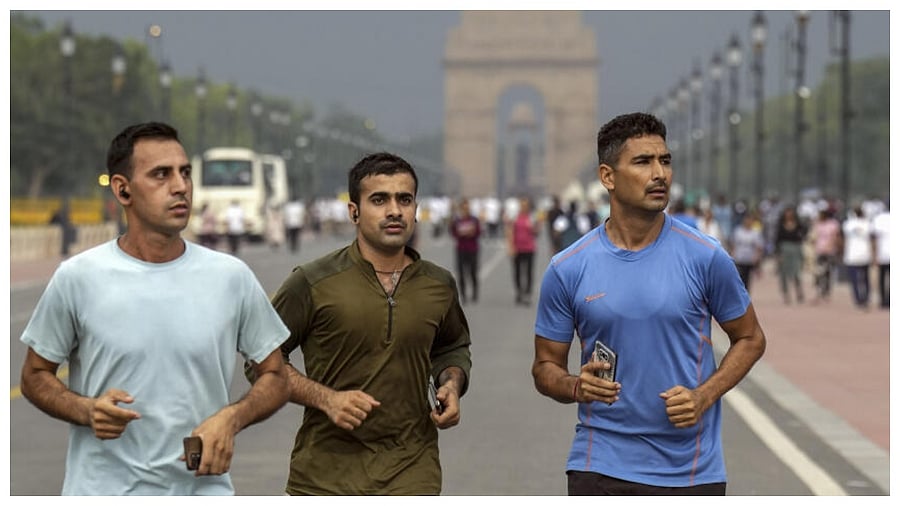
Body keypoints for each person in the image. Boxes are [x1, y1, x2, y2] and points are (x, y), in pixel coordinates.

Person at [18, 121, 290, 495]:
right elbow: (34, 376)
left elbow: (276, 375)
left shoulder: (231, 277)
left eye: (185, 173)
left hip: (203, 491)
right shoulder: (77, 277)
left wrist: (231, 418)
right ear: (122, 189)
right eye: (161, 175)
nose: (180, 187)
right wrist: (88, 410)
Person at [531, 112, 766, 495]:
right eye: (643, 162)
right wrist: (576, 386)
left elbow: (751, 338)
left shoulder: (705, 256)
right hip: (599, 463)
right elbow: (544, 367)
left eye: (665, 160)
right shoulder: (567, 267)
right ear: (607, 176)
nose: (660, 174)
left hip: (689, 469)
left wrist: (704, 395)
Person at [259, 152, 472, 495]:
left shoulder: (438, 284)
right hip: (324, 476)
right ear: (353, 211)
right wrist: (326, 399)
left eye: (404, 199)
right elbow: (261, 359)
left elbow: (451, 347)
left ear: (416, 208)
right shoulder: (312, 282)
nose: (394, 211)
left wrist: (451, 384)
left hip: (412, 469)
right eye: (379, 200)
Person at [507, 196, 540, 306]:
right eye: (522, 205)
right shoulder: (515, 217)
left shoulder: (532, 217)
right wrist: (511, 246)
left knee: (528, 272)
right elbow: (510, 232)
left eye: (526, 205)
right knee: (517, 272)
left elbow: (537, 233)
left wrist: (535, 226)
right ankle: (519, 292)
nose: (524, 207)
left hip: (529, 248)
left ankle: (527, 293)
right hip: (518, 248)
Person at [449, 197, 482, 304]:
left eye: (467, 208)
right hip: (461, 249)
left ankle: (474, 293)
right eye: (463, 208)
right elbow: (453, 233)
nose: (466, 210)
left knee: (472, 272)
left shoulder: (474, 220)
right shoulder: (457, 220)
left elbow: (478, 232)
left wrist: (471, 233)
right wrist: (460, 233)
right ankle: (463, 295)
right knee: (461, 273)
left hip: (472, 248)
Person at [841, 205, 874, 310]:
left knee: (854, 279)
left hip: (852, 255)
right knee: (865, 278)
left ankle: (858, 299)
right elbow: (872, 239)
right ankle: (866, 298)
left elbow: (844, 239)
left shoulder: (848, 224)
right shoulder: (868, 224)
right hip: (865, 254)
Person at [774, 205, 807, 305]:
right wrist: (778, 254)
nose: (789, 215)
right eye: (787, 212)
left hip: (796, 249)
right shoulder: (780, 226)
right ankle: (786, 294)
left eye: (791, 212)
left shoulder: (799, 225)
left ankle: (799, 291)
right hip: (784, 249)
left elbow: (805, 231)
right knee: (783, 274)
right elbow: (777, 240)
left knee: (796, 272)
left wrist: (801, 238)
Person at [809, 208, 841, 303]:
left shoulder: (833, 224)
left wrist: (832, 246)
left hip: (830, 251)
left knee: (828, 273)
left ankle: (826, 292)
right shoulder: (817, 225)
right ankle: (818, 292)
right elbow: (813, 237)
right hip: (819, 251)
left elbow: (835, 237)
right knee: (818, 273)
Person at [729, 213, 766, 292]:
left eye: (750, 220)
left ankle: (746, 296)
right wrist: (732, 255)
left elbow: (759, 247)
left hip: (749, 259)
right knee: (739, 278)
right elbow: (733, 244)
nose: (748, 222)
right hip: (739, 258)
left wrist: (757, 258)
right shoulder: (738, 231)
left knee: (747, 279)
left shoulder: (755, 233)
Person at [870, 201, 890, 309]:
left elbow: (873, 238)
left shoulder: (878, 219)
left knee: (882, 278)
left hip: (882, 253)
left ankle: (883, 300)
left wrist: (874, 255)